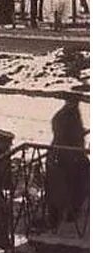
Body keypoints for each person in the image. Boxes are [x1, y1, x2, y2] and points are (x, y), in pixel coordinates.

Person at [45, 97, 90, 226]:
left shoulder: (73, 115)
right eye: (74, 102)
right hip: (62, 157)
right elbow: (62, 136)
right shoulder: (63, 116)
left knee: (81, 179)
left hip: (72, 155)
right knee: (61, 188)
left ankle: (72, 211)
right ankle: (62, 215)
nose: (76, 104)